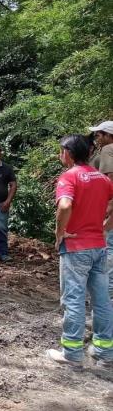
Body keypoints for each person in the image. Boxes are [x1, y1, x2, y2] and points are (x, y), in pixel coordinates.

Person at [46, 134, 113, 367]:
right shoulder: (102, 179)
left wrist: (59, 232)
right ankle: (105, 352)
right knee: (102, 300)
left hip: (76, 248)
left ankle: (72, 353)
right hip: (99, 247)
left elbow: (65, 205)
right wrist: (105, 228)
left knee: (73, 299)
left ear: (68, 153)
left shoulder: (69, 177)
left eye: (60, 150)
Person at [89, 121, 113, 299]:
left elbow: (109, 178)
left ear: (107, 135)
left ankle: (108, 296)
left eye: (98, 134)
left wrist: (108, 207)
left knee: (109, 250)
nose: (96, 138)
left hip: (109, 209)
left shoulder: (108, 149)